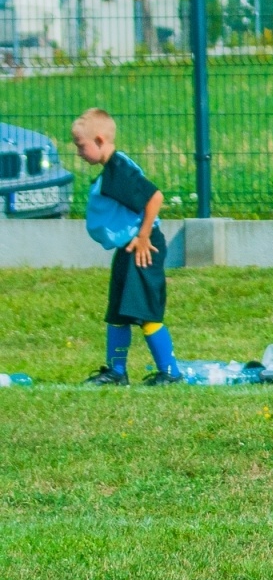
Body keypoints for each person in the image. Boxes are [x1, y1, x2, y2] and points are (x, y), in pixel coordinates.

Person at [73, 108, 181, 386]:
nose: (78, 152)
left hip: (145, 246)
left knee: (145, 312)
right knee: (118, 313)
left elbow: (154, 197)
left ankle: (170, 372)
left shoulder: (119, 170)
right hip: (128, 247)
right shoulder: (109, 170)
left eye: (80, 146)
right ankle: (116, 372)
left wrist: (144, 236)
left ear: (99, 140)